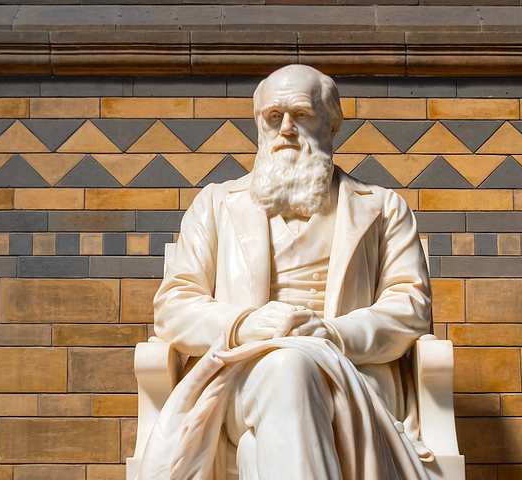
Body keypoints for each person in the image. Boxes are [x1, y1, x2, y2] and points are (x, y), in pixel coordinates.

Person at [141, 64, 433, 480]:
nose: (287, 130)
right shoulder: (215, 204)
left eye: (301, 114)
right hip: (240, 379)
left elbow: (411, 307)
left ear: (331, 125)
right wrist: (243, 324)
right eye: (273, 117)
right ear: (259, 125)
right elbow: (173, 306)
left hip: (350, 377)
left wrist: (334, 333)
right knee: (287, 368)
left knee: (259, 447)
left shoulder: (384, 208)